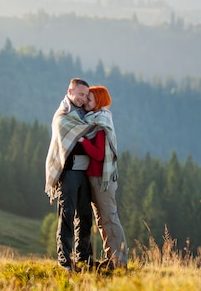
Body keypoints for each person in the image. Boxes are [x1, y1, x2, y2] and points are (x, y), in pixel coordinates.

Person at [44, 78, 94, 272]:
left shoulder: (87, 114)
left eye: (86, 95)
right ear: (70, 91)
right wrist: (87, 140)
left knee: (85, 216)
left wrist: (86, 139)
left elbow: (90, 137)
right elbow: (76, 142)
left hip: (85, 173)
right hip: (69, 172)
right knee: (66, 215)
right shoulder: (63, 115)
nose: (83, 99)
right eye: (80, 94)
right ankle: (65, 261)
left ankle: (84, 258)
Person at [78, 85, 128, 269]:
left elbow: (98, 154)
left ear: (98, 102)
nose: (85, 103)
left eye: (89, 99)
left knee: (109, 217)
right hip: (97, 177)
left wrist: (82, 141)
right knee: (102, 219)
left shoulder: (100, 125)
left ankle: (119, 262)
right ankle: (112, 259)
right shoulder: (96, 120)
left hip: (102, 178)